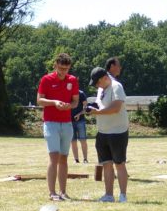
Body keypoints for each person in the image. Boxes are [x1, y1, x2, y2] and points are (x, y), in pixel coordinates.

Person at [37, 53, 79, 201]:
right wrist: (54, 102)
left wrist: (69, 105)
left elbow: (75, 101)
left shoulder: (72, 80)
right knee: (53, 157)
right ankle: (52, 193)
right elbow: (39, 100)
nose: (63, 72)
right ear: (55, 65)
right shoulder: (46, 79)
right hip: (51, 123)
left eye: (66, 69)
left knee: (64, 159)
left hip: (67, 123)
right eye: (61, 68)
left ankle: (63, 192)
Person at [88, 67, 130, 203]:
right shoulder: (101, 89)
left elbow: (116, 108)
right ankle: (108, 195)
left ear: (105, 78)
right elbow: (100, 105)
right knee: (106, 164)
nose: (96, 86)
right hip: (102, 132)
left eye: (97, 82)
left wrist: (97, 113)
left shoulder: (117, 87)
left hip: (117, 132)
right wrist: (90, 108)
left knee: (119, 164)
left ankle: (123, 196)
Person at [70, 87, 89, 163]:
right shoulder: (67, 93)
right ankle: (76, 159)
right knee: (73, 141)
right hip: (70, 121)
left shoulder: (81, 93)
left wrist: (79, 114)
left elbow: (86, 107)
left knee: (83, 140)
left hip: (80, 121)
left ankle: (85, 159)